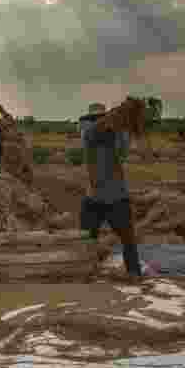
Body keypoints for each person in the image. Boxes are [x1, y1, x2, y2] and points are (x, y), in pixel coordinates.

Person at [78, 102, 142, 279]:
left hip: (112, 195)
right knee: (87, 238)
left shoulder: (117, 135)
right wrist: (112, 118)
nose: (96, 122)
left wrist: (118, 121)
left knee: (127, 239)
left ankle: (133, 273)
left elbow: (122, 148)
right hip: (98, 196)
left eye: (98, 119)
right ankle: (86, 271)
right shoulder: (88, 133)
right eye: (94, 120)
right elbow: (91, 133)